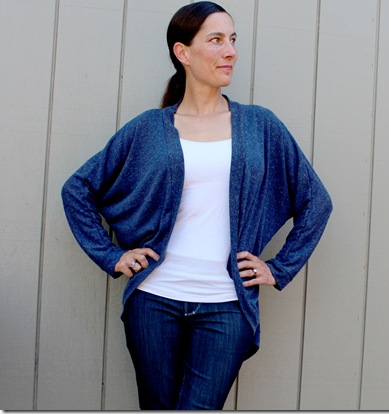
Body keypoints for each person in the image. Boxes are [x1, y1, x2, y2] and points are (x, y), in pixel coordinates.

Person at [61, 1, 332, 410]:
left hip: (226, 304)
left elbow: (317, 201)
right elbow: (78, 189)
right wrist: (112, 256)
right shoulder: (150, 129)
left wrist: (278, 268)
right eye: (216, 40)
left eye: (233, 39)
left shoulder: (260, 125)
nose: (230, 51)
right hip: (154, 298)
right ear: (183, 52)